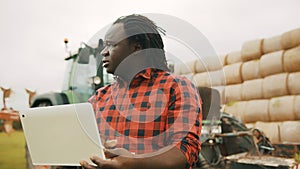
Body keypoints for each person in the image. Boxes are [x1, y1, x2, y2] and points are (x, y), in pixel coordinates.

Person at [80, 14, 202, 169]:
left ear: (136, 48)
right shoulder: (99, 98)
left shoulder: (176, 87)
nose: (104, 52)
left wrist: (132, 164)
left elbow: (184, 152)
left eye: (111, 45)